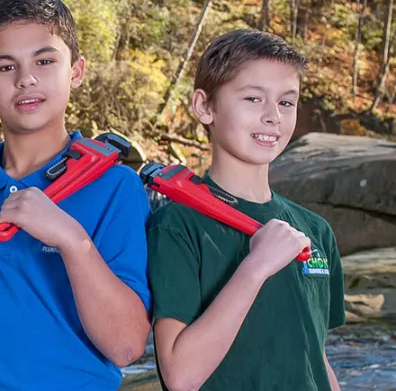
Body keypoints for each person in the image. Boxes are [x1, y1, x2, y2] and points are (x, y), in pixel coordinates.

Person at [0, 0, 152, 391]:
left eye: (45, 61)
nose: (26, 78)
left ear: (76, 71)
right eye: (6, 67)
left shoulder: (118, 190)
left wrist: (71, 239)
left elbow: (127, 345)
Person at [146, 29, 345, 391]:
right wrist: (255, 268)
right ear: (205, 107)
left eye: (287, 102)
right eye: (253, 99)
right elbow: (180, 376)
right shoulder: (177, 225)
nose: (273, 116)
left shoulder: (315, 231)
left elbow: (315, 357)